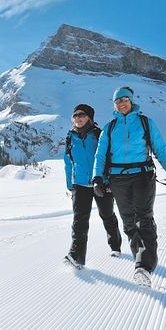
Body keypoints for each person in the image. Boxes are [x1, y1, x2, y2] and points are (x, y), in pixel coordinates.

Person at [92, 87, 166, 287]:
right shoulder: (109, 127)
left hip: (143, 175)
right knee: (128, 222)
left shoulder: (145, 123)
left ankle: (143, 266)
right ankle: (142, 262)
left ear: (131, 101)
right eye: (118, 101)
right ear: (114, 105)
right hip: (117, 178)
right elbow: (100, 155)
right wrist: (97, 178)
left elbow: (160, 150)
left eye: (125, 99)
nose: (122, 103)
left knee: (144, 218)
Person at [63, 103, 123, 270]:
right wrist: (70, 182)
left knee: (107, 215)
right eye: (75, 116)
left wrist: (109, 181)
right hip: (80, 185)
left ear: (89, 117)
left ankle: (115, 245)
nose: (78, 118)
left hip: (100, 183)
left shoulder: (98, 135)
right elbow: (68, 162)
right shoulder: (70, 137)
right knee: (79, 221)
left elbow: (108, 158)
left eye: (81, 115)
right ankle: (77, 257)